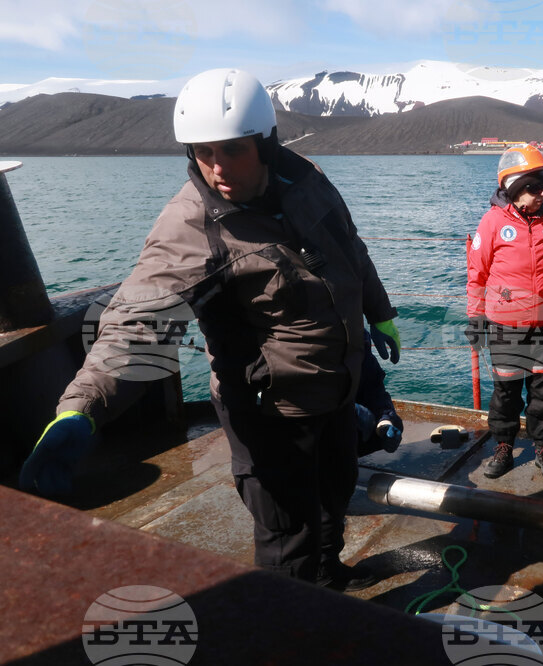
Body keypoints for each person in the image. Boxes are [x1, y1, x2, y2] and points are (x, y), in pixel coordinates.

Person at [18, 68, 401, 591]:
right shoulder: (190, 226)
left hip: (336, 388)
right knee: (286, 534)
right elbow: (138, 319)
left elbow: (349, 248)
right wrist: (81, 409)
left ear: (266, 144)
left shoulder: (308, 179)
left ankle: (330, 577)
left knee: (334, 494)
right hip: (268, 411)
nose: (218, 167)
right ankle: (290, 618)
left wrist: (379, 311)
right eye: (204, 152)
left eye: (233, 150)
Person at [465, 145, 543, 481]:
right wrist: (476, 319)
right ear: (514, 188)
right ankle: (503, 446)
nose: (542, 193)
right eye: (534, 187)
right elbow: (477, 276)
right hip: (505, 325)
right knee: (506, 393)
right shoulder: (492, 222)